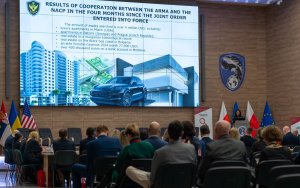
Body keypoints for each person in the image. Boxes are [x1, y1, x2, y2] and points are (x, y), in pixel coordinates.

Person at [125, 120, 197, 188]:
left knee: (129, 170)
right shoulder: (191, 149)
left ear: (168, 133)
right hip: (183, 183)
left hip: (162, 184)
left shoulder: (159, 153)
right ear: (182, 133)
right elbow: (194, 172)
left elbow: (152, 179)